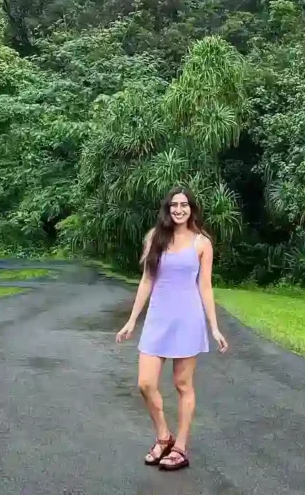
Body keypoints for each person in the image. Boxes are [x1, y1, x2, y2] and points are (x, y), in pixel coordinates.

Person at [115, 187, 229, 473]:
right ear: (167, 209)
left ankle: (180, 448)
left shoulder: (202, 243)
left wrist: (214, 327)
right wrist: (131, 320)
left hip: (187, 319)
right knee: (145, 383)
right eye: (174, 205)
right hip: (157, 318)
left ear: (192, 208)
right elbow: (146, 281)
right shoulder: (155, 238)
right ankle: (163, 436)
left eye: (184, 205)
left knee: (182, 385)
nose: (179, 209)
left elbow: (205, 286)